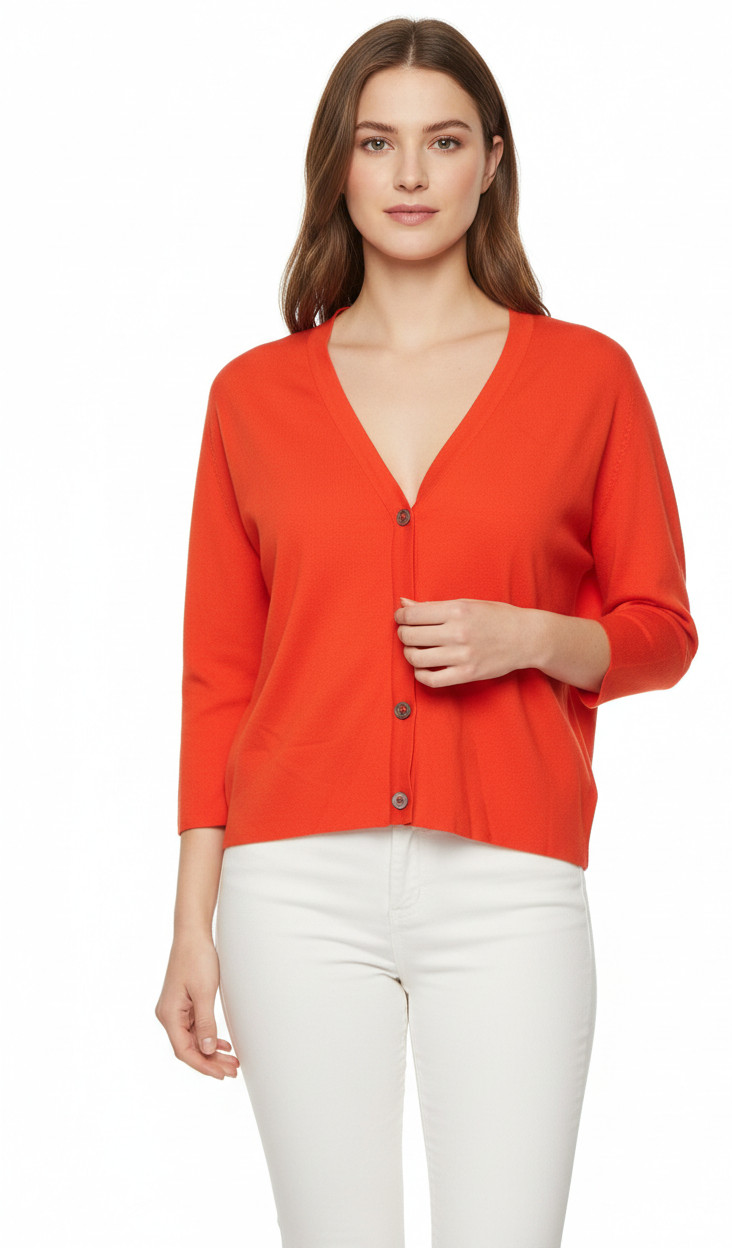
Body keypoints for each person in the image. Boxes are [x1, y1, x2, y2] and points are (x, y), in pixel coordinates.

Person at [156, 16, 698, 1248]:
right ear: (337, 164)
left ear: (491, 162)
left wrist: (533, 637)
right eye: (377, 142)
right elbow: (217, 677)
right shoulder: (251, 396)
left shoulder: (588, 378)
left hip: (508, 880)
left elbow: (660, 629)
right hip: (290, 888)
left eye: (443, 142)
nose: (409, 174)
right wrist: (192, 923)